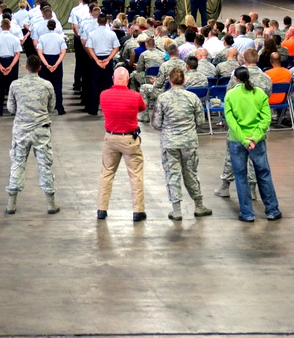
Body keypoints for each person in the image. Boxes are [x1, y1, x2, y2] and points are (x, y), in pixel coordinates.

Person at [151, 67, 212, 221]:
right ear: (184, 80)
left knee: (173, 174)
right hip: (189, 142)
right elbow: (200, 122)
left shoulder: (163, 98)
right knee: (190, 173)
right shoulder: (193, 98)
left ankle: (176, 210)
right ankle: (199, 205)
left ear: (169, 81)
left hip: (170, 143)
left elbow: (157, 123)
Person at [224, 67, 282, 223]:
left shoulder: (230, 95)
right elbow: (266, 119)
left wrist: (243, 139)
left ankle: (247, 213)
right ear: (249, 76)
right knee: (263, 174)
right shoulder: (260, 94)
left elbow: (231, 121)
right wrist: (255, 138)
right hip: (257, 141)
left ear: (235, 79)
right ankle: (272, 210)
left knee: (241, 176)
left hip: (237, 140)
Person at [4, 56, 59, 215]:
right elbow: (51, 107)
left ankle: (11, 204)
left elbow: (11, 109)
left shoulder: (15, 85)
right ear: (39, 68)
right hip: (41, 130)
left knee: (18, 163)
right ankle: (51, 204)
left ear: (25, 67)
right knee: (45, 165)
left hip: (21, 130)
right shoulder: (47, 85)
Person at [97, 67, 147, 222]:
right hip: (129, 140)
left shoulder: (104, 95)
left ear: (113, 78)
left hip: (110, 138)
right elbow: (142, 108)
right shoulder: (135, 96)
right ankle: (138, 211)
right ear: (128, 79)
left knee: (106, 173)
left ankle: (102, 209)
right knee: (135, 174)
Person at [84, 14, 121, 115]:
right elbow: (116, 47)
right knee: (108, 85)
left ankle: (93, 109)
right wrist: (109, 59)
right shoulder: (112, 34)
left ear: (98, 22)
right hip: (107, 59)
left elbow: (89, 47)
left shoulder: (92, 34)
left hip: (96, 59)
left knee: (95, 85)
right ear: (107, 22)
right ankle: (108, 109)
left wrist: (96, 60)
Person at [0, 17, 23, 116]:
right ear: (10, 26)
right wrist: (11, 66)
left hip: (0, 60)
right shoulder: (15, 39)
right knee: (12, 87)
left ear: (1, 27)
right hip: (12, 61)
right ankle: (13, 109)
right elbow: (18, 54)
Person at [36, 19, 67, 115]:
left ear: (47, 27)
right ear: (55, 27)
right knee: (57, 85)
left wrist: (46, 64)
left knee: (44, 86)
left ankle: (44, 107)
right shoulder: (60, 38)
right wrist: (56, 64)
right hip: (56, 60)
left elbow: (40, 52)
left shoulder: (42, 37)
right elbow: (63, 52)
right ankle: (59, 108)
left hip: (46, 60)